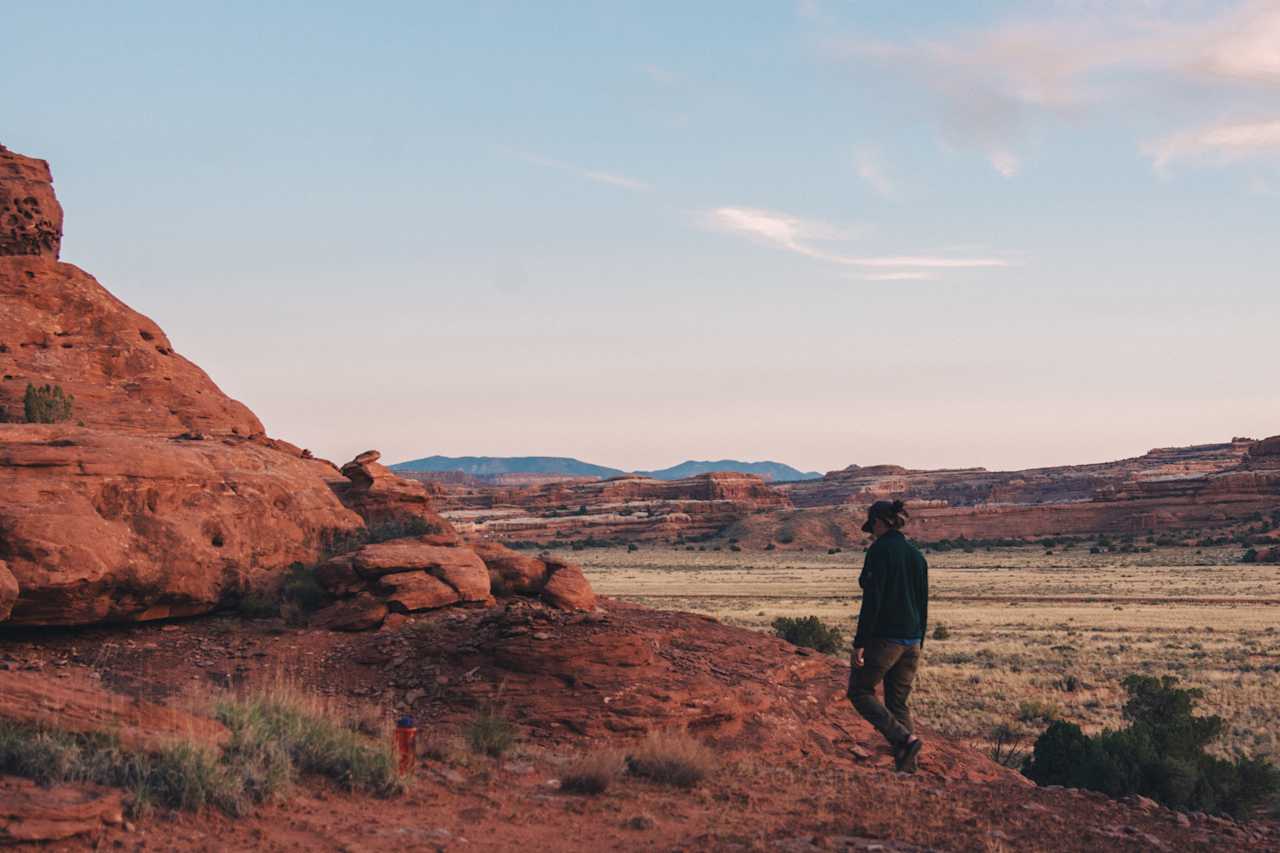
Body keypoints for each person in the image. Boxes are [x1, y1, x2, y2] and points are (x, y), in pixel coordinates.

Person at [847, 499, 928, 773]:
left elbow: (873, 600)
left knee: (859, 691)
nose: (872, 533)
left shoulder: (879, 551)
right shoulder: (916, 555)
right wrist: (920, 640)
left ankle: (905, 739)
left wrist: (860, 643)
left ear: (880, 522)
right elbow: (923, 601)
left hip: (886, 638)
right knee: (898, 702)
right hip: (913, 639)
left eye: (872, 527)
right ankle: (908, 768)